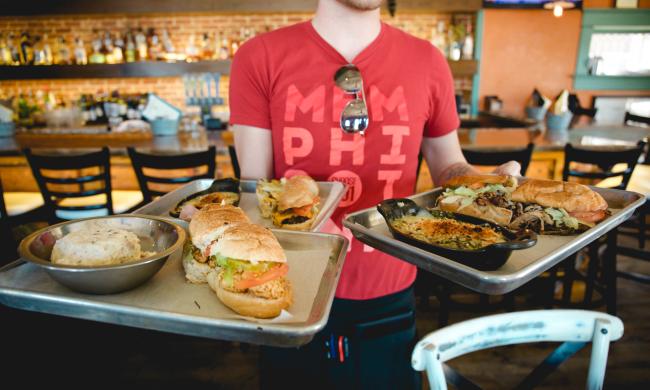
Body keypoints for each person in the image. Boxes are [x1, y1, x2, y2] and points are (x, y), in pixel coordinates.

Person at [229, 0, 520, 388]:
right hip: (294, 288)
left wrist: (485, 184)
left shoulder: (428, 61)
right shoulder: (259, 56)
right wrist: (310, 226)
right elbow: (253, 188)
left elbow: (449, 167)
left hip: (391, 290)